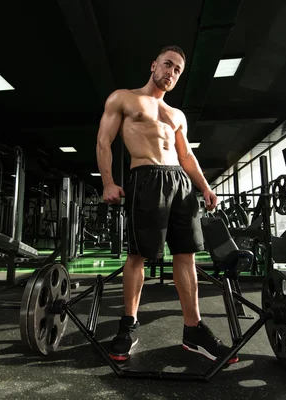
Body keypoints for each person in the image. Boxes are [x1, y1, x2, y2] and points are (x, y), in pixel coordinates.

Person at [96, 45, 238, 364]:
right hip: (145, 178)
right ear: (154, 65)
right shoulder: (124, 98)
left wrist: (204, 187)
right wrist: (107, 182)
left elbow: (185, 155)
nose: (171, 72)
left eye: (177, 70)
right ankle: (128, 326)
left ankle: (194, 330)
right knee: (138, 256)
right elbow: (103, 141)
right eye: (167, 65)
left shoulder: (177, 115)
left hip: (180, 183)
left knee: (186, 256)